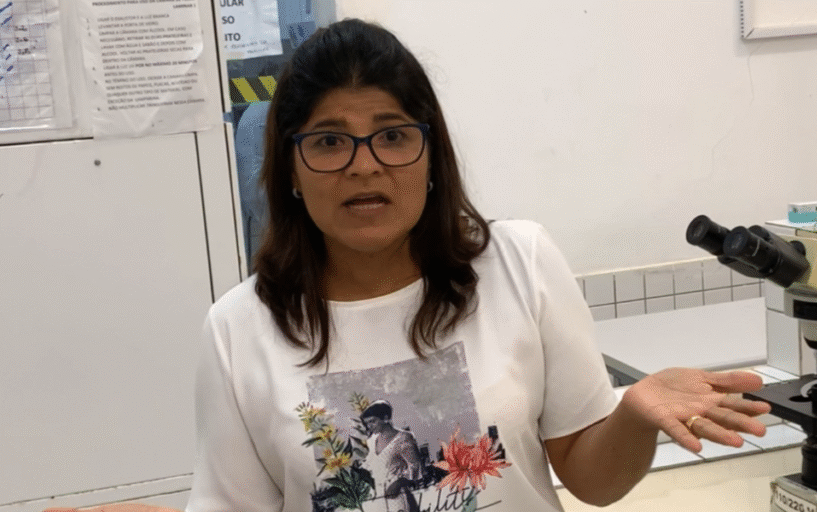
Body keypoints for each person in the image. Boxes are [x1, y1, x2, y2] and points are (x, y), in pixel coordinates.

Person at [48, 18, 771, 512]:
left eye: (392, 135)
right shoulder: (240, 328)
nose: (364, 166)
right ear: (291, 168)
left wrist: (633, 416)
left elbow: (592, 478)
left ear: (430, 154)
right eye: (329, 141)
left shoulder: (519, 263)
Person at [360, 401, 422, 512]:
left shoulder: (403, 438)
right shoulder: (371, 441)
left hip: (397, 495)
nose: (369, 426)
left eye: (372, 421)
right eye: (367, 423)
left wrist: (399, 483)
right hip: (377, 498)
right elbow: (369, 465)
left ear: (385, 418)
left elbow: (416, 466)